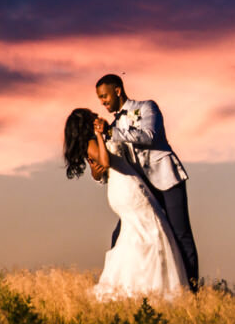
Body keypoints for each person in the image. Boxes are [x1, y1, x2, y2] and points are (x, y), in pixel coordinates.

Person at [63, 108, 187, 301]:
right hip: (126, 189)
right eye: (90, 115)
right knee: (151, 229)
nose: (96, 114)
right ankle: (151, 287)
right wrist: (99, 135)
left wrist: (103, 137)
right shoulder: (91, 143)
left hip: (129, 185)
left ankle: (137, 286)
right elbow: (104, 162)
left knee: (136, 234)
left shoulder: (96, 141)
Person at [95, 74, 200, 291]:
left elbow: (150, 135)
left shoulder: (146, 108)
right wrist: (97, 174)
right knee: (120, 235)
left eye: (104, 96)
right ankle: (127, 289)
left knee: (180, 234)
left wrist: (110, 132)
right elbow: (114, 164)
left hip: (166, 180)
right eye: (99, 99)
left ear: (117, 90)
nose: (103, 102)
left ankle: (193, 291)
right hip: (142, 192)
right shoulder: (113, 126)